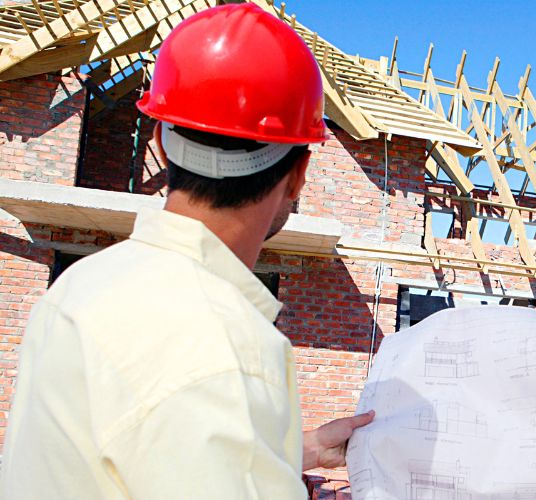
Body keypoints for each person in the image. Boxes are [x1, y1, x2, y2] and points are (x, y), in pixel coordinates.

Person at [0, 4, 372, 498]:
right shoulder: (225, 345)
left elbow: (144, 442)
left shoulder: (80, 286)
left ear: (159, 138)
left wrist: (300, 451)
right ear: (299, 174)